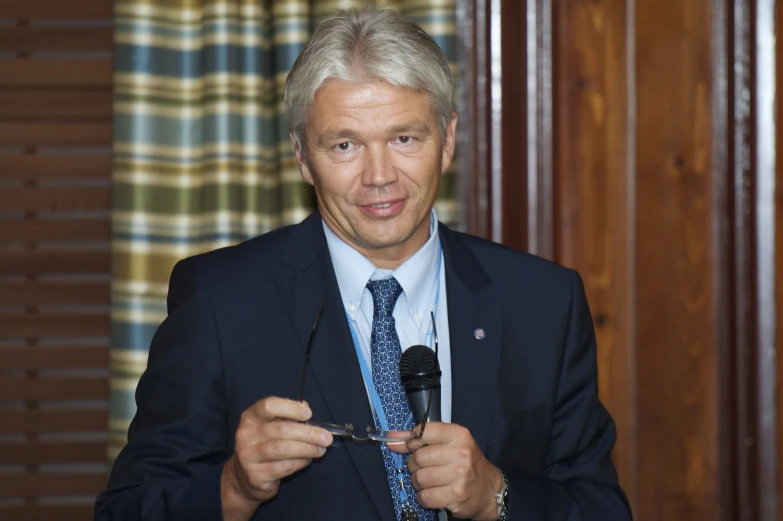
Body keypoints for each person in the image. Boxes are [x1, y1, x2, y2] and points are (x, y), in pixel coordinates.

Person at [95, 6, 631, 521]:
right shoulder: (221, 300)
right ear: (302, 156)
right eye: (345, 145)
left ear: (446, 141)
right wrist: (234, 488)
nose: (379, 176)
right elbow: (126, 509)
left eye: (404, 138)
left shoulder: (541, 301)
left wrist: (496, 496)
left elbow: (602, 508)